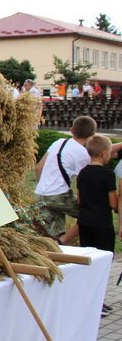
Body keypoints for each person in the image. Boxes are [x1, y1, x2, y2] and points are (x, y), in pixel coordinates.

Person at [33, 116, 97, 244]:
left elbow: (39, 167)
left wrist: (45, 188)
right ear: (92, 135)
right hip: (60, 195)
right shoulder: (84, 154)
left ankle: (55, 248)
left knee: (52, 233)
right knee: (90, 215)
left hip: (41, 193)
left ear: (72, 130)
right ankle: (64, 240)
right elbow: (84, 181)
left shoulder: (59, 142)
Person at [77, 134, 118, 315]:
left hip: (85, 223)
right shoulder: (108, 175)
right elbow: (113, 203)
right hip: (103, 224)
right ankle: (97, 302)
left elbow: (79, 198)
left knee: (90, 262)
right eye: (109, 152)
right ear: (103, 153)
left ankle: (92, 299)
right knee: (103, 264)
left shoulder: (82, 173)